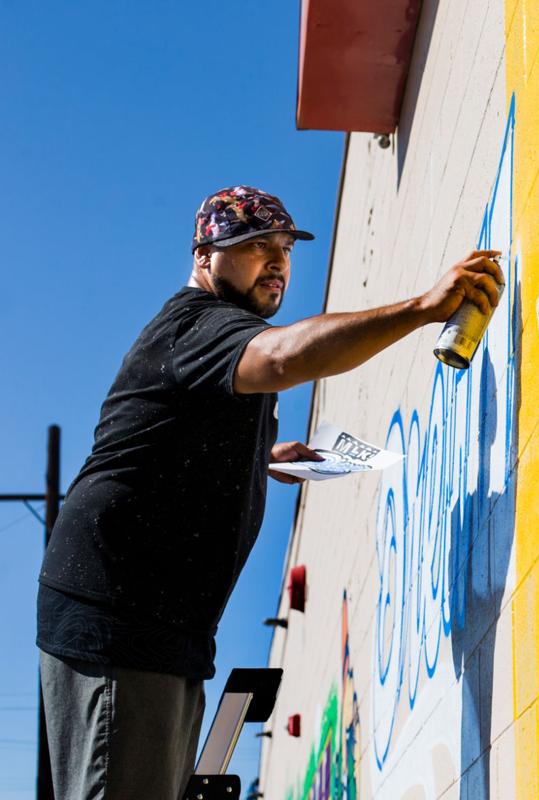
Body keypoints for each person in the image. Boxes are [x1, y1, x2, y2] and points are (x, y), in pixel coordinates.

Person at [36, 185, 502, 798]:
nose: (278, 261)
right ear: (205, 255)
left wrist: (262, 459)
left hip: (165, 627)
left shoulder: (216, 338)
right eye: (256, 246)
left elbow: (172, 436)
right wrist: (420, 308)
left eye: (284, 247)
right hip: (117, 617)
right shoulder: (199, 325)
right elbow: (282, 359)